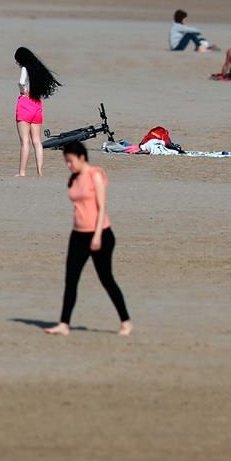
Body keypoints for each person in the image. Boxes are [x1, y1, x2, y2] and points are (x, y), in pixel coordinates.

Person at [45, 142, 133, 337]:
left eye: (71, 161)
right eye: (66, 162)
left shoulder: (96, 175)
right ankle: (64, 324)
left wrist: (97, 236)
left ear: (82, 157)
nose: (69, 165)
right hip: (77, 235)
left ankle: (125, 322)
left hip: (100, 234)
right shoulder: (74, 178)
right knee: (71, 280)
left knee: (106, 279)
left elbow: (102, 207)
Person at [15, 47, 62, 177]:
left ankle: (22, 172)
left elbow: (21, 82)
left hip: (25, 103)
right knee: (37, 141)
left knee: (25, 142)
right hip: (37, 104)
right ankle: (40, 172)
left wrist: (22, 90)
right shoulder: (38, 69)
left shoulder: (25, 68)